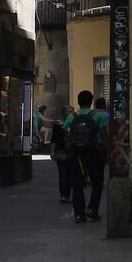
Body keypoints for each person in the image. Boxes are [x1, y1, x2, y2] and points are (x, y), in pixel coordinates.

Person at [64, 89, 107, 223]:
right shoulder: (98, 116)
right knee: (97, 182)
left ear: (78, 102)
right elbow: (104, 135)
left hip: (76, 155)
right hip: (93, 154)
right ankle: (92, 209)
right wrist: (107, 151)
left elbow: (65, 134)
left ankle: (79, 214)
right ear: (91, 102)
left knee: (77, 184)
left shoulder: (71, 117)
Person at [49, 105, 73, 204]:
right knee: (63, 174)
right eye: (68, 112)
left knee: (70, 175)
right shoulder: (58, 126)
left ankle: (66, 194)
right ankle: (63, 195)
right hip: (61, 152)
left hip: (72, 153)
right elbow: (54, 139)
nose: (70, 114)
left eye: (72, 112)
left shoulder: (74, 125)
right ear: (63, 113)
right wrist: (52, 152)